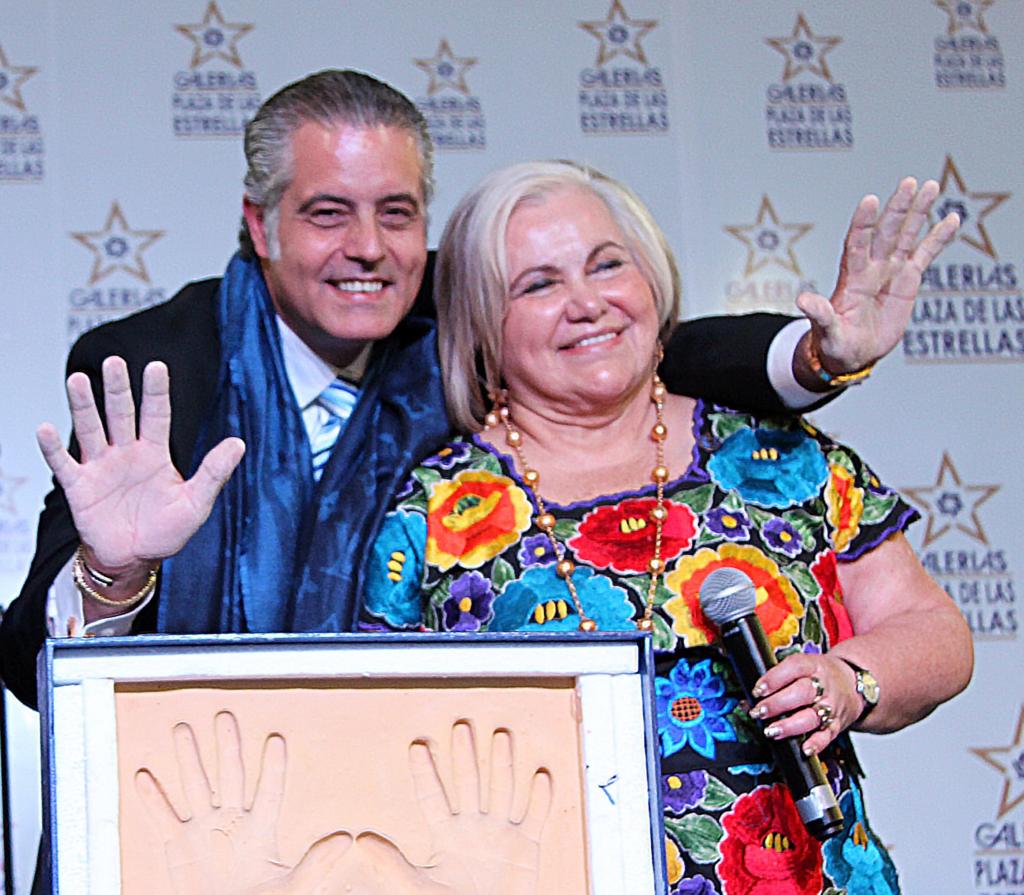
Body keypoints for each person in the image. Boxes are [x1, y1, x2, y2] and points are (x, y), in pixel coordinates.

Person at [0, 68, 928, 712]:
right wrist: (111, 576)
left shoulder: (465, 312)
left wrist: (814, 355)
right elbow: (24, 664)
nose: (368, 247)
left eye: (396, 212)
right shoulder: (154, 369)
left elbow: (646, 352)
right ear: (259, 224)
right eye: (327, 212)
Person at [359, 160, 973, 893]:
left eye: (606, 264)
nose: (587, 302)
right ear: (483, 323)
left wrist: (848, 679)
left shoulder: (777, 458)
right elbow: (385, 756)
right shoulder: (431, 517)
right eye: (538, 284)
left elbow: (935, 633)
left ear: (651, 279)